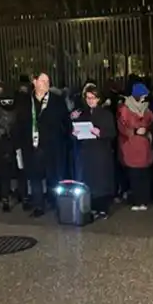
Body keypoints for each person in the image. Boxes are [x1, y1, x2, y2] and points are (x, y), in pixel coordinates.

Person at [15, 71, 69, 217]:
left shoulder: (57, 101)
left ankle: (56, 202)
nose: (46, 84)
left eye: (48, 82)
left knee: (54, 176)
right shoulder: (26, 102)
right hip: (32, 146)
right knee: (35, 177)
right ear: (34, 81)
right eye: (43, 81)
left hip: (52, 146)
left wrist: (63, 138)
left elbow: (66, 123)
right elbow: (19, 124)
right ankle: (38, 205)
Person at [72, 84, 116, 218]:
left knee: (101, 181)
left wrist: (100, 132)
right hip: (86, 152)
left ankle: (103, 209)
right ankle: (91, 207)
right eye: (88, 98)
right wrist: (74, 133)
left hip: (100, 152)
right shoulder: (82, 113)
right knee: (89, 181)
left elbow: (112, 133)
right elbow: (74, 133)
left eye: (93, 98)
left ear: (98, 99)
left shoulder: (106, 114)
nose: (90, 100)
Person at [117, 82, 153, 211]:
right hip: (131, 146)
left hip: (144, 146)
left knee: (144, 174)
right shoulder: (125, 109)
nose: (145, 98)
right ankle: (137, 200)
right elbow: (122, 127)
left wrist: (148, 130)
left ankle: (144, 200)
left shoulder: (147, 109)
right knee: (134, 175)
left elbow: (152, 122)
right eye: (143, 95)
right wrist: (134, 132)